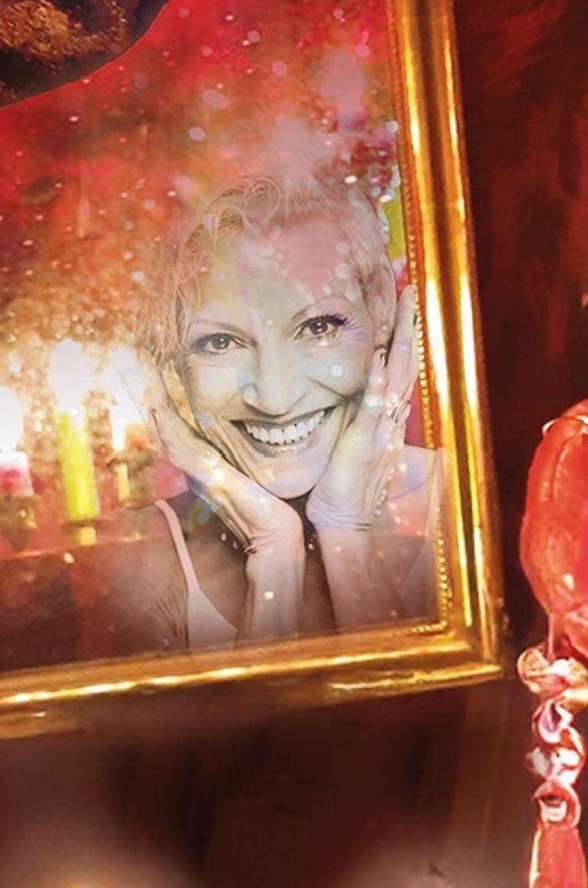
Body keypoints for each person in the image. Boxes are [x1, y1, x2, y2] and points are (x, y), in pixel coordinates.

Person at [137, 174, 437, 643]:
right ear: (171, 363)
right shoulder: (142, 555)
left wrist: (346, 530)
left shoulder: (470, 506)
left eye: (318, 327)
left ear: (380, 306)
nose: (275, 399)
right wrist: (272, 552)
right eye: (221, 342)